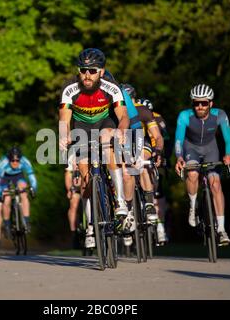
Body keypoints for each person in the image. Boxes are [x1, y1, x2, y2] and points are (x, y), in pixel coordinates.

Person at [59, 48, 130, 249]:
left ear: (101, 71)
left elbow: (123, 115)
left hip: (104, 122)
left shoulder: (111, 87)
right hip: (81, 127)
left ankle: (120, 201)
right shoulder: (69, 89)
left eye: (92, 70)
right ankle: (91, 225)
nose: (87, 75)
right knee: (85, 178)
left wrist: (122, 131)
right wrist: (63, 136)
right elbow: (64, 119)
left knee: (107, 138)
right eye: (83, 70)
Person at [174, 84, 230, 245]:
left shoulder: (220, 115)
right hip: (191, 148)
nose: (200, 107)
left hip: (210, 149)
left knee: (215, 184)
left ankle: (221, 230)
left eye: (204, 103)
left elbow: (228, 139)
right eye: (196, 103)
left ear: (211, 104)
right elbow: (179, 140)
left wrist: (228, 154)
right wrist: (179, 157)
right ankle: (193, 204)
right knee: (192, 173)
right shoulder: (185, 116)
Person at [121, 83, 167, 244]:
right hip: (123, 144)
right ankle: (126, 212)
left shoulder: (143, 110)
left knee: (141, 162)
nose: (129, 104)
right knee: (125, 174)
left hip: (142, 142)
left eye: (131, 100)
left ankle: (148, 203)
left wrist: (158, 151)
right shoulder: (117, 111)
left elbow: (158, 136)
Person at [139, 97, 173, 243]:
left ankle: (160, 228)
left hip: (156, 152)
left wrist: (166, 157)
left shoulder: (157, 118)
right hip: (142, 148)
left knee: (158, 190)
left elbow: (166, 139)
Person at [0, 146, 37, 239]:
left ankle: (26, 222)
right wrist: (0, 193)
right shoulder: (3, 163)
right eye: (12, 160)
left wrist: (33, 188)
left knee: (24, 194)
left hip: (18, 176)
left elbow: (31, 176)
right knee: (7, 199)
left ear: (20, 159)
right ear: (9, 159)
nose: (15, 162)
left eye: (17, 160)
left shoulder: (25, 161)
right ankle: (7, 225)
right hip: (5, 178)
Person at [64, 152, 82, 248]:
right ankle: (73, 232)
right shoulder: (72, 156)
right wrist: (69, 189)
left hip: (87, 187)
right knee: (73, 205)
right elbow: (68, 174)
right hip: (76, 188)